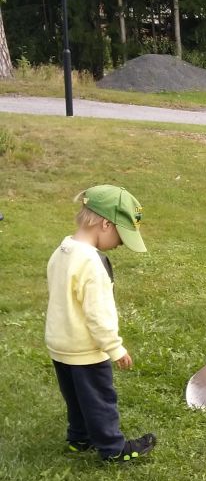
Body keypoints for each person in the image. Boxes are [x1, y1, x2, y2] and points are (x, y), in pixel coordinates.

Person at [45, 185, 156, 461]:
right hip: (85, 349)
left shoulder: (62, 251)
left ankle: (79, 438)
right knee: (99, 400)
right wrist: (115, 348)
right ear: (106, 223)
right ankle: (113, 448)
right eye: (121, 235)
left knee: (76, 398)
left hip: (60, 345)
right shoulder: (92, 263)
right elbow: (98, 314)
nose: (120, 244)